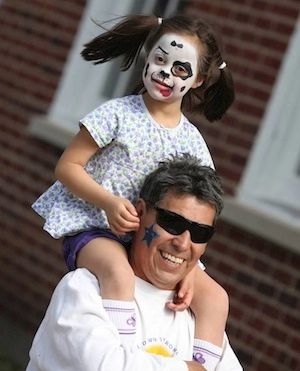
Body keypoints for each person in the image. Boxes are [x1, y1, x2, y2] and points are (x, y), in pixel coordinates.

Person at [31, 14, 235, 368]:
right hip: (96, 227)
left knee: (216, 297)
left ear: (199, 79)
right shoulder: (117, 114)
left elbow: (196, 209)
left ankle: (203, 363)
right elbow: (67, 166)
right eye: (159, 59)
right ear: (147, 55)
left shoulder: (193, 142)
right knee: (118, 273)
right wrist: (108, 202)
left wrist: (190, 269)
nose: (165, 73)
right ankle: (128, 353)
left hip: (152, 239)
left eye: (180, 69)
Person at [27, 155, 242, 371]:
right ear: (139, 212)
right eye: (172, 222)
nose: (183, 243)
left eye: (200, 232)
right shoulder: (84, 289)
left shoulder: (203, 324)